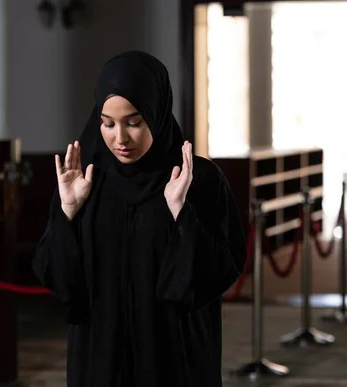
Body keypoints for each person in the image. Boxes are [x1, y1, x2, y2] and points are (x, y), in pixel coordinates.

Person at [32, 51, 247, 387]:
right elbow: (59, 281)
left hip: (174, 361)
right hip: (99, 361)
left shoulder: (197, 179)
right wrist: (67, 215)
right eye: (108, 123)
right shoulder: (86, 180)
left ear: (157, 114)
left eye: (134, 122)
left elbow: (220, 271)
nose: (120, 138)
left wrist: (181, 213)